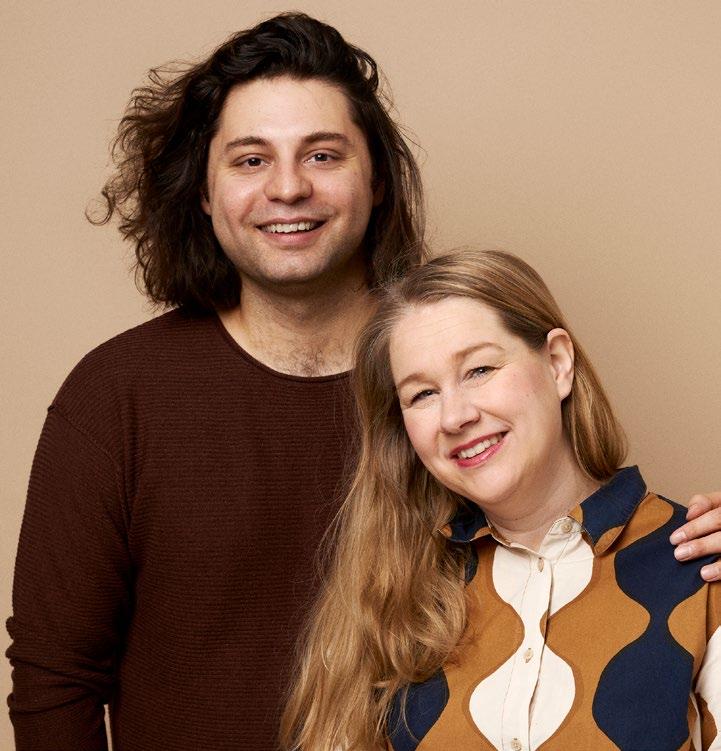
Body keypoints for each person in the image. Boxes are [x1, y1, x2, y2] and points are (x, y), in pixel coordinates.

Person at [5, 11, 721, 751]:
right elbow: (54, 679)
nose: (288, 187)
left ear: (377, 179)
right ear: (203, 191)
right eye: (250, 160)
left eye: (322, 155)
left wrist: (697, 551)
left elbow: (572, 545)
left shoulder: (460, 396)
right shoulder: (115, 396)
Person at [281, 249, 721, 751]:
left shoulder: (702, 568)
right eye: (422, 394)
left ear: (557, 363)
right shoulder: (386, 596)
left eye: (479, 370)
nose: (455, 416)